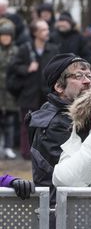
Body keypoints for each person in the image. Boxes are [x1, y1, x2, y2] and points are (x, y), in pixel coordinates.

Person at [27, 54, 91, 187]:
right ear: (59, 87)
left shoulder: (83, 114)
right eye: (78, 76)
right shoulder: (56, 124)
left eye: (89, 76)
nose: (87, 81)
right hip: (60, 203)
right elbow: (77, 174)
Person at [8, 19, 59, 159]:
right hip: (28, 93)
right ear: (35, 32)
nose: (47, 32)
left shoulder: (53, 49)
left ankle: (42, 153)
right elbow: (13, 67)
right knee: (27, 124)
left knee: (46, 125)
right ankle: (26, 153)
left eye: (47, 29)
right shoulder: (25, 49)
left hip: (46, 94)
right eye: (43, 29)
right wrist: (27, 69)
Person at [0, 21, 19, 159]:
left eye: (8, 36)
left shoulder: (16, 51)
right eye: (3, 35)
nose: (5, 38)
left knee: (10, 121)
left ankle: (8, 146)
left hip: (11, 91)